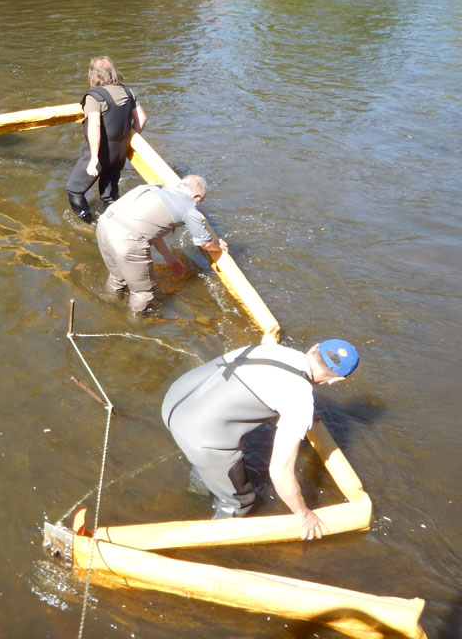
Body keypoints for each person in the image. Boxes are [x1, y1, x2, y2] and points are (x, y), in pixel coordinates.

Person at [161, 340, 361, 539]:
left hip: (174, 400)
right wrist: (304, 514)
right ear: (336, 380)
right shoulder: (299, 399)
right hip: (199, 436)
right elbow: (279, 473)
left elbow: (266, 383)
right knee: (241, 501)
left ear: (313, 347)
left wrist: (301, 413)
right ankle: (206, 547)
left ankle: (194, 496)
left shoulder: (272, 348)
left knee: (211, 458)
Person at [95, 174, 227, 313]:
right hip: (126, 241)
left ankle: (107, 308)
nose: (197, 205)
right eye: (200, 201)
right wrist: (217, 244)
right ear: (196, 196)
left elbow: (148, 227)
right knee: (143, 293)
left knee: (118, 278)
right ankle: (134, 325)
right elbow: (205, 243)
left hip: (104, 225)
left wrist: (169, 256)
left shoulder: (154, 188)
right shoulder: (189, 209)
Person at [65, 56, 148, 224]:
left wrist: (94, 158)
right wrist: (127, 141)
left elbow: (94, 125)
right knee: (109, 195)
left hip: (102, 152)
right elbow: (142, 119)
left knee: (74, 190)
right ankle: (120, 223)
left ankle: (90, 225)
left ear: (93, 75)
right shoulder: (127, 91)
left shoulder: (94, 97)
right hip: (120, 153)